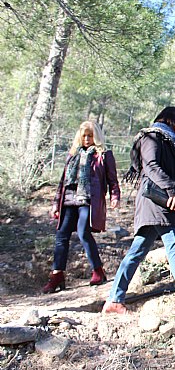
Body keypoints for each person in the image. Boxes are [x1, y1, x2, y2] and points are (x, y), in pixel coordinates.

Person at [103, 107, 175, 315]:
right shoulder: (152, 137)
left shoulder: (170, 142)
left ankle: (114, 300)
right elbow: (151, 166)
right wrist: (173, 190)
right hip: (157, 205)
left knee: (136, 253)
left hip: (161, 204)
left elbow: (167, 175)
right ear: (170, 121)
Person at [43, 121, 121, 293]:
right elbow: (62, 182)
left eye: (90, 135)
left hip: (88, 200)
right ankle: (57, 275)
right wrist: (56, 204)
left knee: (83, 233)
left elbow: (112, 179)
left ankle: (98, 271)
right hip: (69, 199)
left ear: (96, 137)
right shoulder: (72, 154)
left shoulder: (103, 154)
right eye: (84, 135)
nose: (87, 139)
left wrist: (115, 196)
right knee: (61, 235)